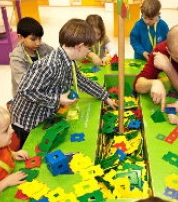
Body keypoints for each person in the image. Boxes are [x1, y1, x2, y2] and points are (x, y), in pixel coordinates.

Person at [10, 19, 117, 149]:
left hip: (42, 114)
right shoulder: (51, 64)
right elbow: (25, 91)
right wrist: (58, 98)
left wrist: (105, 96)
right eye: (88, 48)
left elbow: (81, 80)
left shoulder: (68, 60)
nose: (88, 52)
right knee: (30, 149)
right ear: (79, 46)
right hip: (27, 121)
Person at [10, 17, 54, 98]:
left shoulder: (43, 47)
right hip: (25, 96)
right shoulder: (16, 58)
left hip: (43, 89)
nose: (38, 43)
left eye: (40, 38)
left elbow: (56, 55)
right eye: (33, 39)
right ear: (20, 38)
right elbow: (24, 84)